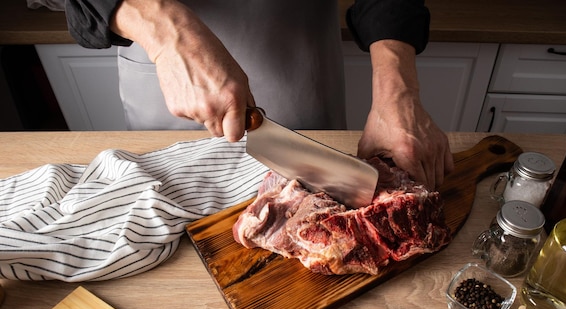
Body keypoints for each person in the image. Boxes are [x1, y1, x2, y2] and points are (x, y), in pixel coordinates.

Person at [65, 0, 454, 189]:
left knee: (320, 195)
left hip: (303, 69)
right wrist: (168, 34)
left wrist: (397, 91)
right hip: (166, 78)